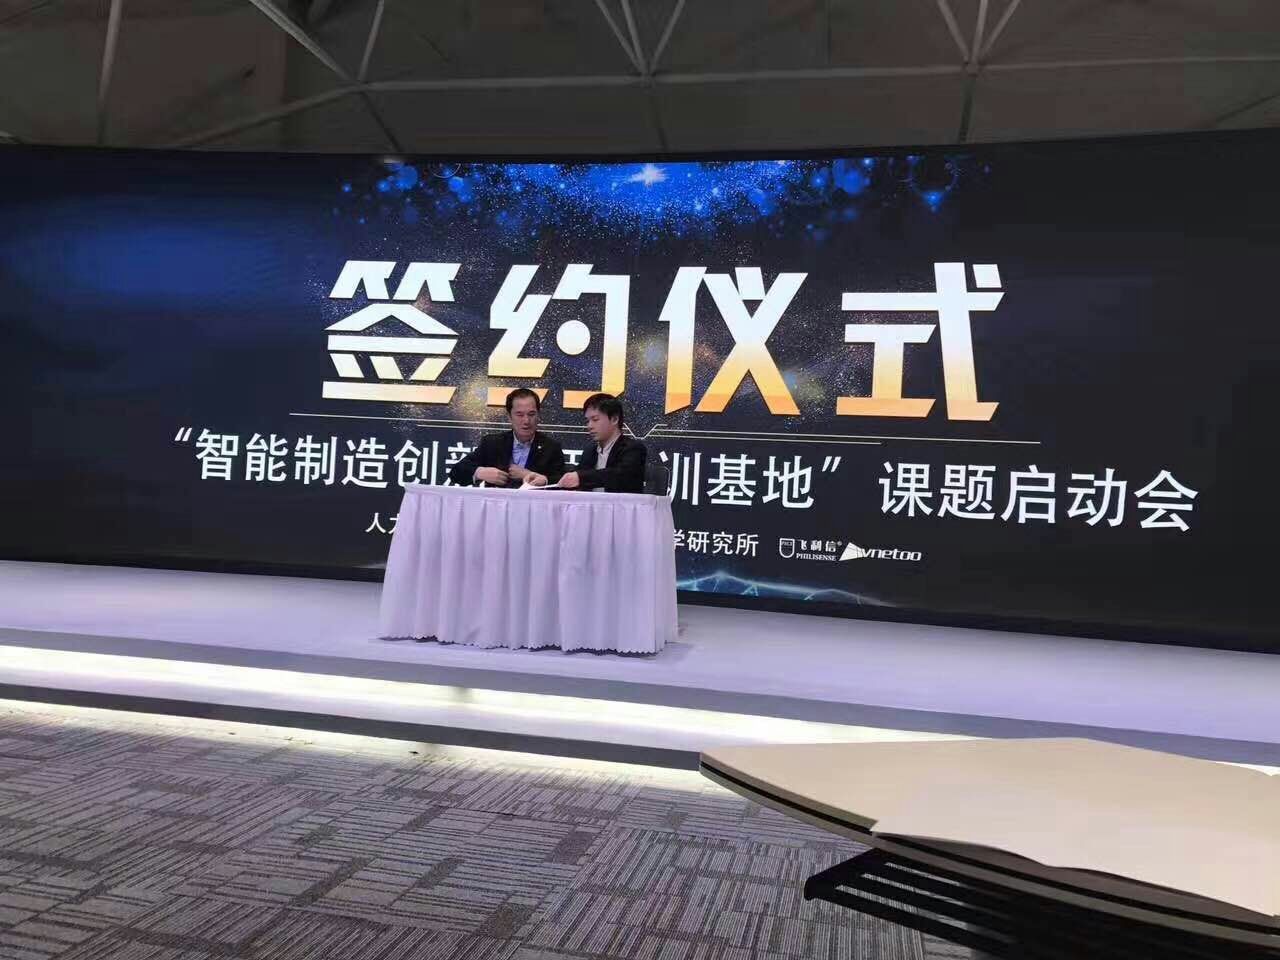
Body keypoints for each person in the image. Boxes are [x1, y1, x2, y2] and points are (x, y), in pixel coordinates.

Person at [449, 388, 566, 488]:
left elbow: (562, 482)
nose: (526, 421)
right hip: (496, 505)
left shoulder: (551, 447)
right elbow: (456, 473)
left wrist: (538, 478)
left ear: (538, 415)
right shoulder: (492, 443)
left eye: (531, 414)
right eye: (519, 415)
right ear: (509, 417)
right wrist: (480, 472)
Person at [558, 393, 647, 493]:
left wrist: (581, 478)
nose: (589, 426)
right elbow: (578, 474)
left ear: (614, 419)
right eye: (587, 421)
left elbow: (621, 475)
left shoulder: (633, 448)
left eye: (595, 420)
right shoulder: (590, 451)